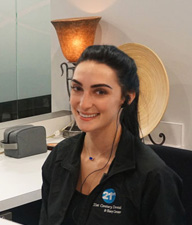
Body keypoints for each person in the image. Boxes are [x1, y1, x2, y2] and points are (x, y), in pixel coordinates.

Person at [39, 45, 186, 225]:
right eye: (77, 88)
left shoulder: (153, 177)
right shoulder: (59, 158)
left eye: (100, 92)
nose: (84, 104)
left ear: (126, 98)